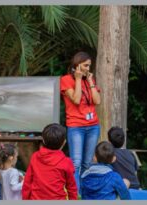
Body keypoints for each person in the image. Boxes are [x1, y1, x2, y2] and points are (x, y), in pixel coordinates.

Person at [60, 51, 101, 191]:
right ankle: (75, 195)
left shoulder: (89, 80)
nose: (88, 69)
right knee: (76, 163)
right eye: (85, 66)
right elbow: (76, 100)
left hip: (93, 126)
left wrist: (90, 82)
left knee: (87, 163)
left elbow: (97, 100)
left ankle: (85, 193)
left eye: (89, 66)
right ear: (77, 65)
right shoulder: (66, 80)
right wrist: (77, 79)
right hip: (76, 126)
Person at [22, 123, 77, 200]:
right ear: (64, 142)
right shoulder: (66, 162)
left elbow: (27, 183)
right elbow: (72, 188)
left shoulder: (35, 157)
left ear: (43, 140)